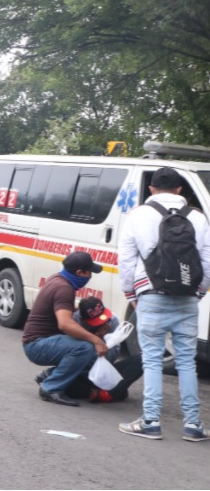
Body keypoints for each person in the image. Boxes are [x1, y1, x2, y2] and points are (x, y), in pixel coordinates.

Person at [118, 166, 210, 441]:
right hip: (187, 297)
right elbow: (206, 261)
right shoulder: (198, 218)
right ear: (180, 189)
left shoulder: (138, 215)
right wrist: (199, 292)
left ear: (152, 189)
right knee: (186, 362)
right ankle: (193, 426)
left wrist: (130, 294)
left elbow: (126, 260)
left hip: (150, 295)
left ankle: (150, 422)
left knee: (153, 360)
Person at [22, 251, 108, 406]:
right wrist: (96, 340)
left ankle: (48, 375)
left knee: (92, 356)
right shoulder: (64, 288)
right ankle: (50, 388)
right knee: (85, 348)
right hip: (36, 345)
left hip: (40, 341)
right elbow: (65, 324)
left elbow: (62, 309)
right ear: (80, 272)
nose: (90, 277)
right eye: (89, 272)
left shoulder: (57, 279)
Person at [42, 297, 143, 403]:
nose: (101, 323)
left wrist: (103, 344)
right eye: (96, 321)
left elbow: (111, 357)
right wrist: (95, 338)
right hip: (79, 372)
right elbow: (70, 356)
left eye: (102, 318)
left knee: (141, 360)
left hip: (102, 369)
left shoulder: (112, 320)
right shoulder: (73, 322)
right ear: (82, 319)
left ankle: (108, 393)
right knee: (70, 389)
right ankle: (50, 375)